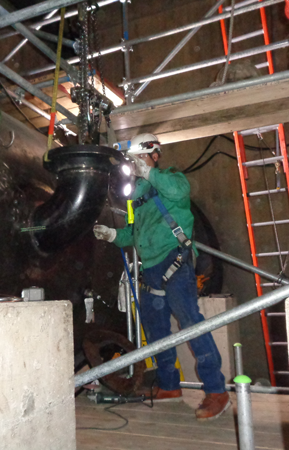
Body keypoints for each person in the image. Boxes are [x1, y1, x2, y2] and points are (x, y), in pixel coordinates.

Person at [93, 133, 230, 421]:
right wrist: (114, 235)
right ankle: (169, 385)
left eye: (143, 157)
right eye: (135, 160)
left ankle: (217, 390)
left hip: (174, 261)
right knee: (156, 330)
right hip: (150, 268)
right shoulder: (139, 194)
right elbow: (135, 233)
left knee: (191, 322)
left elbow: (180, 193)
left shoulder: (171, 179)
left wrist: (150, 172)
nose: (138, 164)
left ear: (155, 155)